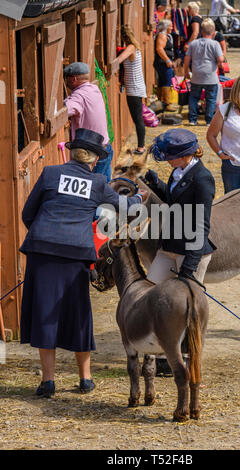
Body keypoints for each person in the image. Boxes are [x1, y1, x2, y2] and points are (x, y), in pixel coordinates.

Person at [20, 128, 147, 398]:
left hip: (42, 251)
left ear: (71, 153)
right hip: (76, 253)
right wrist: (139, 198)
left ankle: (48, 382)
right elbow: (123, 205)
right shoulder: (98, 183)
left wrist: (46, 236)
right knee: (78, 314)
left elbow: (28, 213)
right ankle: (85, 379)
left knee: (45, 312)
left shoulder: (51, 174)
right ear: (93, 160)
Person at [144, 128, 216, 375]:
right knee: (150, 291)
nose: (165, 160)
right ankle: (157, 350)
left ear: (184, 155)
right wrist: (157, 184)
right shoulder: (177, 170)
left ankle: (185, 359)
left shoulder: (203, 178)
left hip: (191, 251)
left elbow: (201, 224)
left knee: (187, 308)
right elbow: (175, 201)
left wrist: (190, 266)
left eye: (168, 156)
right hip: (170, 246)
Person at [63, 62, 113, 181]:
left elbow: (65, 110)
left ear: (74, 79)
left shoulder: (78, 96)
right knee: (104, 188)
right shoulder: (94, 89)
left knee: (92, 191)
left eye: (67, 79)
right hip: (106, 148)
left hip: (91, 154)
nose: (66, 82)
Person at [184, 18, 224, 125]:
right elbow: (220, 59)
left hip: (197, 74)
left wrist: (186, 71)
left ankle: (193, 119)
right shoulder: (215, 44)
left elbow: (187, 59)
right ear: (213, 32)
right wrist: (219, 62)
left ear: (202, 32)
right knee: (210, 99)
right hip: (210, 75)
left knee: (194, 97)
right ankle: (209, 120)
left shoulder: (193, 44)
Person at [117, 25, 147, 155]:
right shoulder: (135, 47)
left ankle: (141, 147)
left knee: (138, 119)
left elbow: (119, 60)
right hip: (135, 87)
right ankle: (141, 146)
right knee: (137, 118)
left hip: (134, 88)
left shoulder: (130, 48)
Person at [154, 19, 176, 112]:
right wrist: (167, 60)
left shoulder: (166, 36)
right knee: (166, 82)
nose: (172, 28)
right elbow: (159, 49)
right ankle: (166, 103)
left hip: (163, 63)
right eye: (170, 26)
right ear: (165, 27)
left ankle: (161, 103)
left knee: (162, 83)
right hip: (163, 63)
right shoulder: (162, 36)